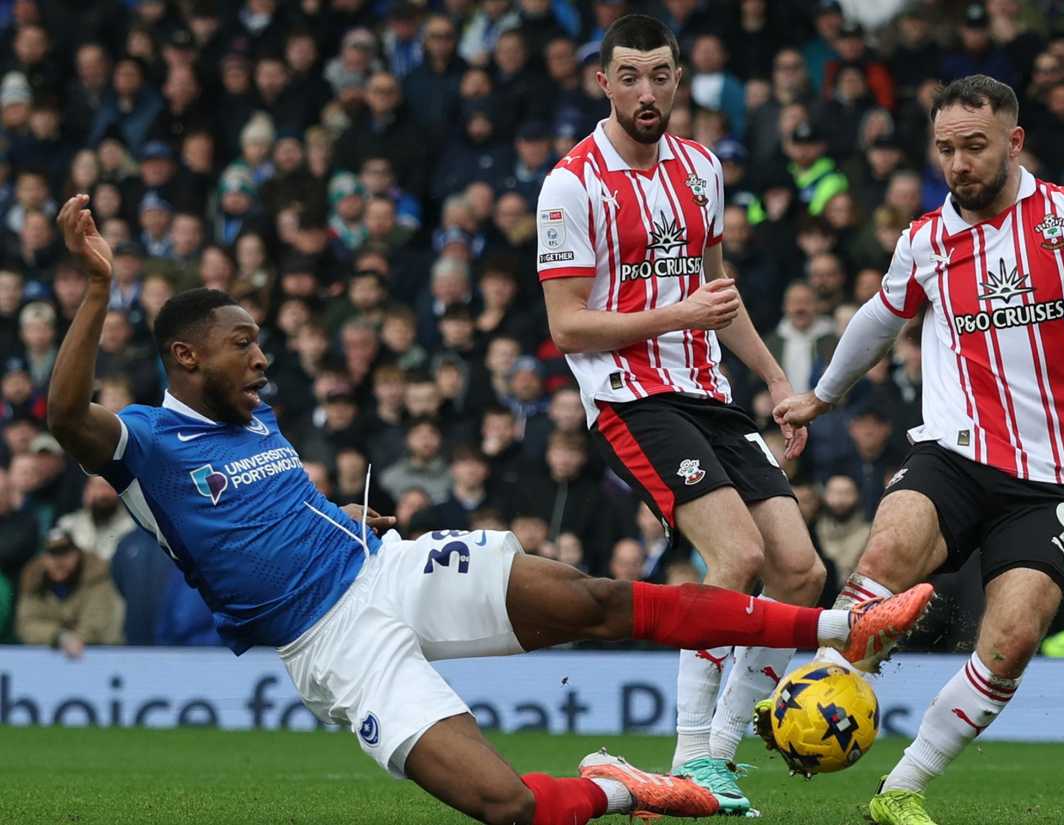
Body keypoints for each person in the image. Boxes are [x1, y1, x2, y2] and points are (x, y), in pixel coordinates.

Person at [45, 194, 933, 825]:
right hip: (330, 644)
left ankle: (836, 628)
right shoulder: (146, 444)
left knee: (594, 598)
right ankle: (630, 787)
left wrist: (351, 522)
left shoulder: (259, 417)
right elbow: (61, 416)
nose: (263, 359)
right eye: (244, 345)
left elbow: (279, 509)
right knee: (506, 805)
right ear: (185, 357)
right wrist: (94, 291)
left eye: (263, 344)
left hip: (385, 569)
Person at [770, 74, 1064, 825]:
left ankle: (900, 787)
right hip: (953, 452)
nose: (958, 163)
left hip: (1046, 481)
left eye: (973, 147)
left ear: (1013, 142)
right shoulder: (926, 239)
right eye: (945, 148)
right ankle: (807, 705)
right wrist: (822, 394)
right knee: (883, 562)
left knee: (1011, 641)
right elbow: (879, 318)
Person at [533, 15, 826, 815]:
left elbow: (717, 296)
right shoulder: (571, 182)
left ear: (678, 78)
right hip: (632, 396)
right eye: (630, 75)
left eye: (661, 74)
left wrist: (772, 379)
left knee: (801, 570)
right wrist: (677, 315)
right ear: (604, 82)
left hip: (712, 394)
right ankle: (691, 755)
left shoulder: (701, 167)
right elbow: (566, 326)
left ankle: (723, 756)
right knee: (734, 556)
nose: (647, 90)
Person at [15, 526, 125, 656]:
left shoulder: (97, 580)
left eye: (65, 553)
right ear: (43, 559)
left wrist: (68, 639)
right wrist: (59, 636)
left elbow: (95, 629)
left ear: (77, 554)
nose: (59, 562)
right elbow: (25, 626)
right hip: (48, 660)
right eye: (53, 555)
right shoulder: (34, 583)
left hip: (101, 656)